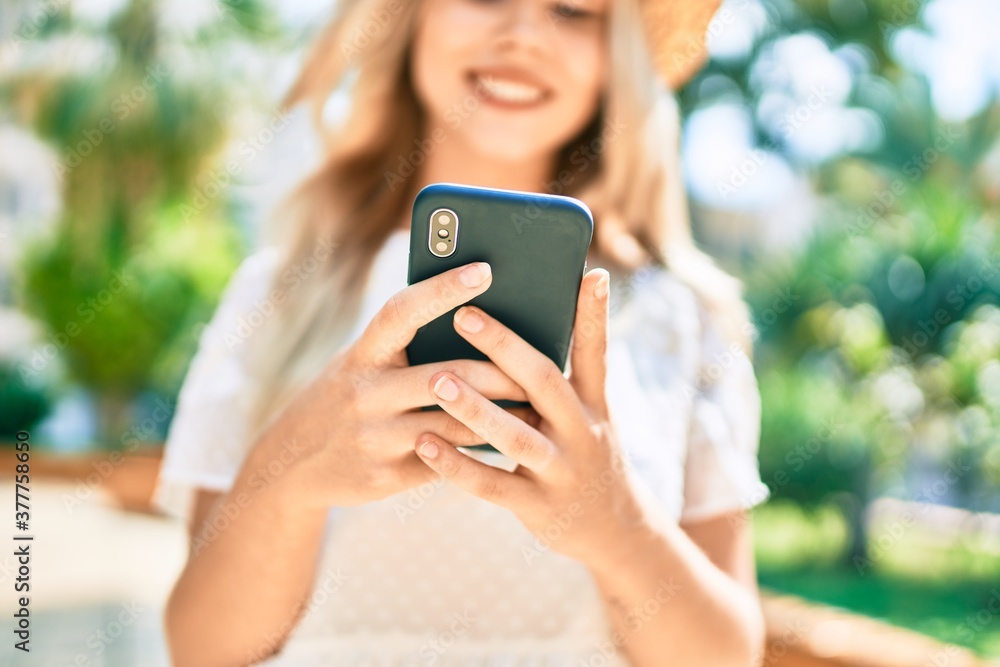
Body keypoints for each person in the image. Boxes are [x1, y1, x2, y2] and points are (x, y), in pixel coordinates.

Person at [153, 0, 772, 665]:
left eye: (572, 9)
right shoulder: (277, 295)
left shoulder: (683, 318)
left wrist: (618, 527)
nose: (523, 35)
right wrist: (290, 471)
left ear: (613, 54)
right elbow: (200, 648)